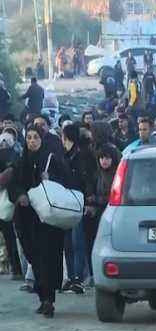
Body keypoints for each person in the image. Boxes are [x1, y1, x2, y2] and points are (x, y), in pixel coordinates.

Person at [10, 125, 71, 318]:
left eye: (35, 137)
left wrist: (50, 178)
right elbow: (15, 183)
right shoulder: (22, 161)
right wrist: (20, 195)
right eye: (28, 138)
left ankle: (48, 299)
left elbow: (67, 180)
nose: (32, 141)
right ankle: (42, 295)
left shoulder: (52, 160)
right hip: (27, 218)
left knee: (48, 257)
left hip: (48, 220)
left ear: (42, 140)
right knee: (34, 258)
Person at [61, 123, 96, 293]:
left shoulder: (82, 156)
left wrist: (88, 201)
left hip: (78, 202)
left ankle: (78, 278)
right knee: (68, 242)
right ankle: (71, 276)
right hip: (66, 202)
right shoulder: (66, 155)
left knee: (77, 242)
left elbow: (87, 179)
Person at [85, 144, 120, 283]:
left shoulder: (117, 175)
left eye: (107, 158)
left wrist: (98, 199)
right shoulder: (96, 174)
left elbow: (115, 196)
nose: (104, 161)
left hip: (112, 214)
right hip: (97, 214)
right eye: (101, 158)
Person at [0, 132, 24, 280]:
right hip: (8, 200)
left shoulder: (14, 156)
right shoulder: (15, 154)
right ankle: (16, 269)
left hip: (9, 200)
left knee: (11, 237)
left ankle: (17, 268)